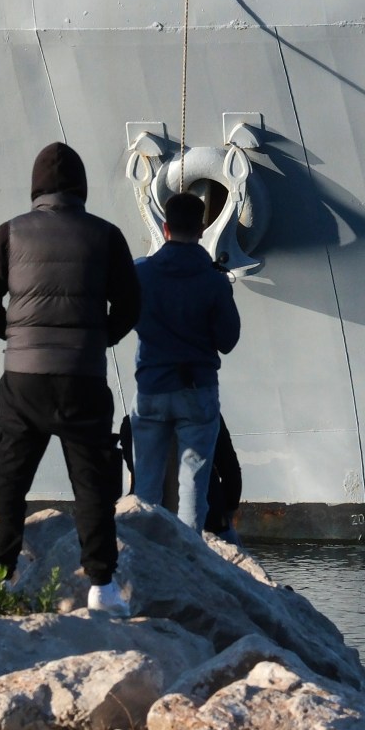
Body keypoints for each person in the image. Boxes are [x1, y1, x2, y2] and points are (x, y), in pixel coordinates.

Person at [0, 143, 140, 614]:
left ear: (35, 188)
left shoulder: (10, 233)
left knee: (9, 480)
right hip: (82, 377)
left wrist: (15, 336)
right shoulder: (107, 236)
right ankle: (102, 588)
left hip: (23, 377)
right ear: (81, 189)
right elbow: (130, 306)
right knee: (92, 483)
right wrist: (99, 339)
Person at [130, 193, 241, 533]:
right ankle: (191, 556)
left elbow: (125, 318)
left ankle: (144, 554)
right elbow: (228, 341)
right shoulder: (214, 280)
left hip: (151, 387)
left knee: (147, 482)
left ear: (165, 228)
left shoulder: (140, 272)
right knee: (193, 484)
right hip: (196, 388)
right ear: (203, 228)